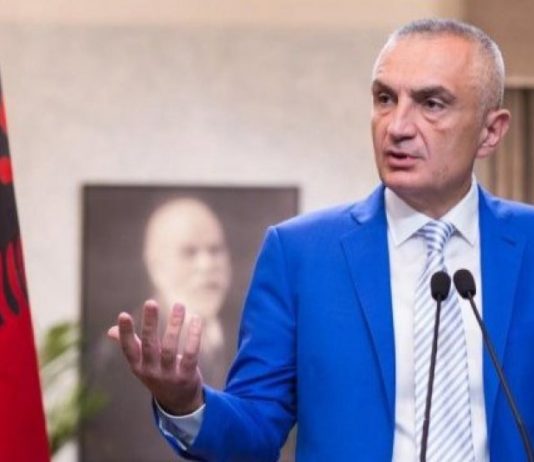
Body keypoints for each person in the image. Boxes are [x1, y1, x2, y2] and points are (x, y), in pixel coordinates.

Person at [109, 18, 534, 461]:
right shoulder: (300, 254)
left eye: (431, 103)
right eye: (385, 99)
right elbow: (255, 429)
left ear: (491, 131)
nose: (397, 126)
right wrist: (186, 403)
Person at [142, 197, 233, 387]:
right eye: (189, 252)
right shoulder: (131, 346)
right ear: (156, 267)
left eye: (215, 250)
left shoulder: (252, 329)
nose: (207, 265)